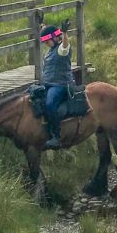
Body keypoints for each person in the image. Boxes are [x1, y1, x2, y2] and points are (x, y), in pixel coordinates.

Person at [40, 18, 73, 150]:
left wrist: (64, 33)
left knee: (50, 104)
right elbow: (47, 31)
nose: (46, 44)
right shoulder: (51, 50)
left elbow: (65, 45)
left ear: (54, 38)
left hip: (61, 85)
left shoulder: (61, 49)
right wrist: (42, 25)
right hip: (47, 83)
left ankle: (57, 136)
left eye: (47, 40)